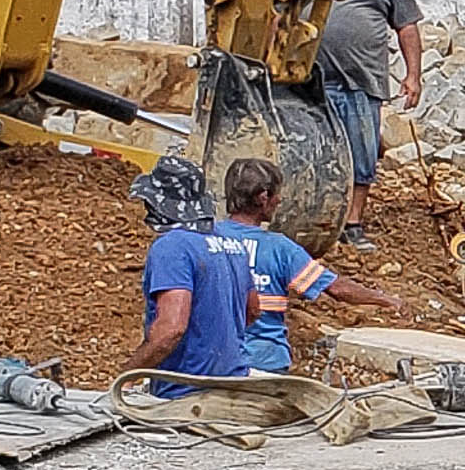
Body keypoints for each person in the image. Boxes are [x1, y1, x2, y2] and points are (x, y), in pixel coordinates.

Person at [130, 155, 396, 381]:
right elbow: (335, 289)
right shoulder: (277, 248)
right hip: (261, 361)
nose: (280, 201)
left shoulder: (208, 238)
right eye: (277, 195)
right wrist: (385, 300)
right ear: (264, 197)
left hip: (205, 368)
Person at [312, 0, 423, 244]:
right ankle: (317, 220)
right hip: (313, 81)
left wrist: (413, 75)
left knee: (362, 154)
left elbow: (406, 25)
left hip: (362, 82)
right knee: (316, 151)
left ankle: (352, 225)